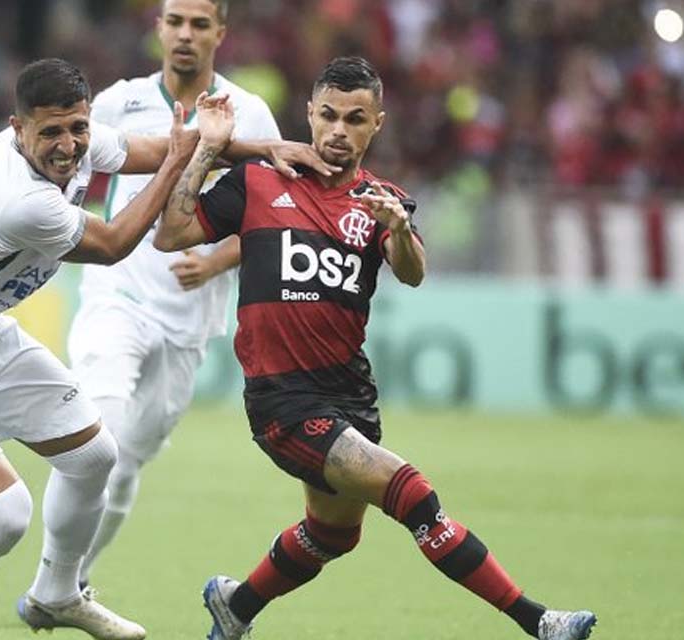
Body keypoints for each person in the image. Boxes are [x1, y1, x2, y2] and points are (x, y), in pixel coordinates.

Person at [0, 58, 322, 640]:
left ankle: (57, 594)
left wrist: (263, 150)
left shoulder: (75, 138)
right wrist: (184, 157)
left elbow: (154, 149)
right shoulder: (19, 200)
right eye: (50, 132)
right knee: (4, 513)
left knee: (96, 456)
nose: (68, 145)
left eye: (77, 127)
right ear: (18, 128)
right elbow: (115, 242)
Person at [153, 56, 598, 640]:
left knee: (333, 534)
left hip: (350, 394)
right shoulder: (260, 181)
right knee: (414, 495)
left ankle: (236, 606)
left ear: (377, 123)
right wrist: (209, 150)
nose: (339, 130)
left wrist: (398, 228)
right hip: (283, 402)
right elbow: (172, 233)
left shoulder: (384, 199)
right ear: (310, 114)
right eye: (329, 115)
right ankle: (539, 622)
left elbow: (412, 273)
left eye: (355, 119)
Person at [68, 0, 297, 588]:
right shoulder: (120, 102)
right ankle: (56, 581)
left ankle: (71, 582)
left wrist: (216, 259)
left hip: (188, 317)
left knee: (127, 462)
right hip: (116, 293)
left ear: (220, 32)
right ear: (159, 29)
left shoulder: (248, 112)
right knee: (99, 437)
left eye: (199, 24)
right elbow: (65, 165)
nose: (185, 35)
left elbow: (278, 213)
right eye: (175, 22)